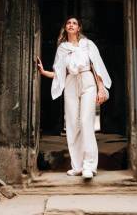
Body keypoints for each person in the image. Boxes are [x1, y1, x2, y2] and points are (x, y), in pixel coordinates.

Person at [36, 16, 111, 179]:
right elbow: (59, 73)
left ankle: (89, 166)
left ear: (79, 28)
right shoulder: (62, 48)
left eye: (74, 23)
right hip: (70, 82)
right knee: (72, 124)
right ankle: (77, 166)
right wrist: (43, 72)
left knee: (85, 122)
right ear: (65, 28)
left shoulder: (88, 45)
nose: (71, 25)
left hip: (88, 81)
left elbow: (96, 67)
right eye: (68, 23)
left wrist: (100, 89)